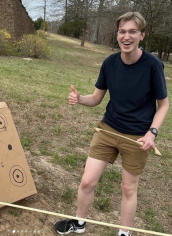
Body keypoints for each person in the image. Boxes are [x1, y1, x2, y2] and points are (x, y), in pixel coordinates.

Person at [54, 11, 169, 236]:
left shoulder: (153, 65)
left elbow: (163, 105)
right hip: (107, 129)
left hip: (137, 137)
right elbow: (96, 98)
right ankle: (79, 223)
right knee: (87, 182)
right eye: (122, 32)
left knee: (128, 188)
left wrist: (151, 133)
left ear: (142, 35)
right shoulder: (110, 63)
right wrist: (79, 99)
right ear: (117, 35)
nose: (127, 36)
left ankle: (123, 233)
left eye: (132, 32)